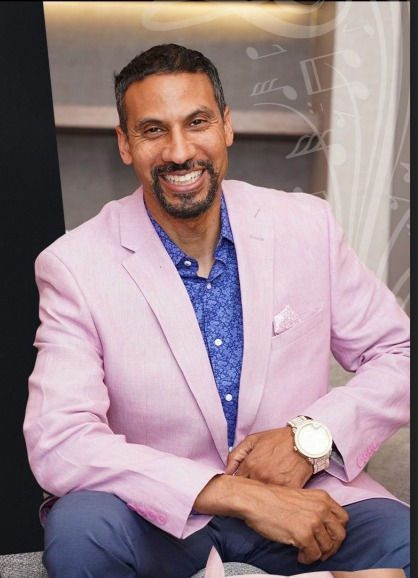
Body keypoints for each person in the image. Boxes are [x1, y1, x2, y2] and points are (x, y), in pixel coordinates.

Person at [23, 44, 409, 578]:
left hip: (299, 497)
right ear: (125, 144)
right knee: (80, 530)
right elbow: (59, 438)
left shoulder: (306, 227)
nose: (180, 151)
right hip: (157, 514)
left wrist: (310, 440)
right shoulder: (75, 265)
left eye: (197, 121)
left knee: (401, 540)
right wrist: (235, 495)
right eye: (153, 130)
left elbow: (400, 353)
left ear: (226, 125)